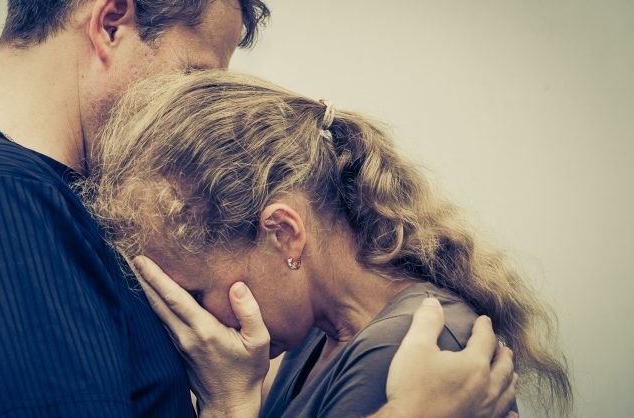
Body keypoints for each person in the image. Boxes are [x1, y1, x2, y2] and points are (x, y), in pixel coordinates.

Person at [0, 0, 515, 417]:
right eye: (194, 76)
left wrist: (230, 401)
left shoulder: (12, 192)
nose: (193, 110)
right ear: (111, 22)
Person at [85, 70, 573, 417]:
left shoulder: (405, 352)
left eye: (195, 294)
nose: (192, 324)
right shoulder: (316, 338)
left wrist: (229, 406)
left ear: (284, 234)